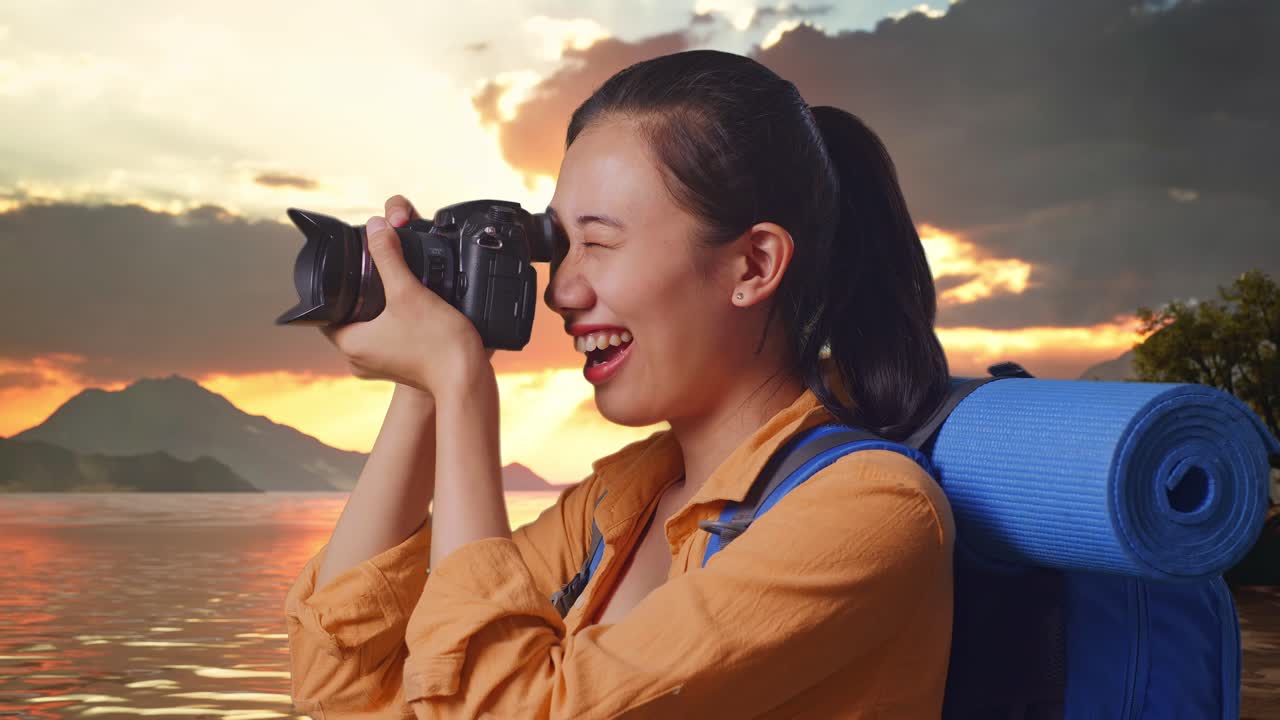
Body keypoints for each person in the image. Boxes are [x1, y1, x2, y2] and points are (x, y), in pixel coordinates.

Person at [285, 49, 956, 719]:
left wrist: (459, 377)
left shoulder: (870, 511)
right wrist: (425, 367)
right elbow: (347, 691)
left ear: (753, 265)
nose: (562, 291)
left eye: (599, 243)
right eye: (559, 243)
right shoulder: (623, 501)